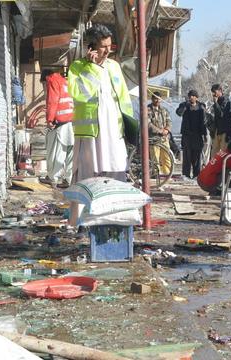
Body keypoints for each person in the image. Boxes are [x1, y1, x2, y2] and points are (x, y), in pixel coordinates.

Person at [67, 24, 133, 227]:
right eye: (103, 46)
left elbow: (123, 97)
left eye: (109, 45)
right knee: (86, 177)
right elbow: (80, 94)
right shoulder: (78, 67)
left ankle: (112, 219)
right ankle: (78, 221)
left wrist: (130, 127)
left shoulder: (114, 66)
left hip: (114, 133)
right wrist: (92, 68)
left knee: (116, 172)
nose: (107, 50)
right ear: (92, 47)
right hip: (91, 134)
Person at [39, 69, 74, 189]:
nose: (44, 88)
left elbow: (52, 101)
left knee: (56, 152)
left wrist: (49, 119)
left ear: (46, 78)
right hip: (72, 120)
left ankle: (53, 178)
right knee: (70, 153)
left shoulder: (52, 81)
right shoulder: (65, 81)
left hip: (60, 122)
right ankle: (69, 179)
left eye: (43, 84)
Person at [177, 89, 207, 179]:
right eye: (190, 96)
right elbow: (179, 113)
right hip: (187, 135)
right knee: (187, 156)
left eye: (193, 96)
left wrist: (205, 135)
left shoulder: (201, 106)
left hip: (198, 135)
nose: (191, 97)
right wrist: (185, 106)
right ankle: (186, 174)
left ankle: (196, 175)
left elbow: (204, 121)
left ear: (196, 97)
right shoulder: (184, 105)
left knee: (197, 157)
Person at [147, 91, 173, 174]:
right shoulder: (147, 110)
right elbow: (148, 124)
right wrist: (160, 131)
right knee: (155, 159)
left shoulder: (164, 110)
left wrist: (167, 130)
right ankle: (156, 176)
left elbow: (169, 121)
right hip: (153, 138)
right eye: (155, 99)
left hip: (164, 138)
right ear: (152, 99)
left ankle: (167, 175)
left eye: (159, 99)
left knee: (167, 157)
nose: (157, 101)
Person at [211, 84, 231, 156]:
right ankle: (214, 167)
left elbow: (221, 114)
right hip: (217, 130)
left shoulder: (226, 102)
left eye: (215, 92)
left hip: (224, 131)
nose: (214, 94)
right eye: (213, 92)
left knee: (223, 153)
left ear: (220, 91)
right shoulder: (217, 101)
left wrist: (215, 103)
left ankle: (223, 167)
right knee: (214, 152)